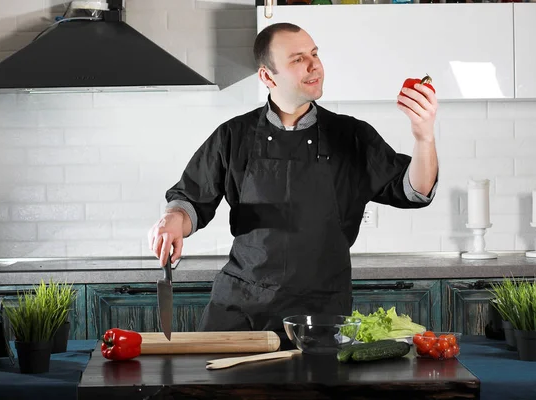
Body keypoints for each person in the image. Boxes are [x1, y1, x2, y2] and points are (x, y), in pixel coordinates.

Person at [148, 22, 438, 333]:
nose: (315, 66)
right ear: (266, 76)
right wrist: (174, 219)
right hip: (241, 309)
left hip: (321, 313)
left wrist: (424, 138)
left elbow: (414, 190)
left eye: (314, 54)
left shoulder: (351, 135)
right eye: (298, 59)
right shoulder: (233, 136)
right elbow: (190, 199)